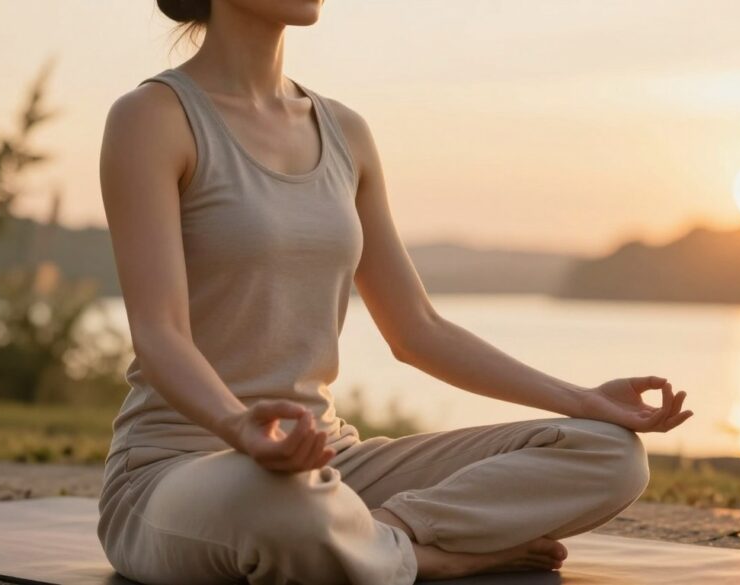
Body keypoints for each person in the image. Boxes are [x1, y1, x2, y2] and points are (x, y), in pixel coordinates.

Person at [96, 1, 695, 583]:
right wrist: (239, 427)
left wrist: (582, 400)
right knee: (281, 502)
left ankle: (380, 540)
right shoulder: (152, 118)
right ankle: (431, 558)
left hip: (329, 465)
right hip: (180, 471)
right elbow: (159, 333)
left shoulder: (344, 131)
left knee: (609, 454)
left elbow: (417, 331)